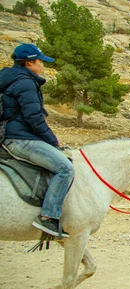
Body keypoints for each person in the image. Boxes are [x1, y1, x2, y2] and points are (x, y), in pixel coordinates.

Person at [0, 43, 74, 239]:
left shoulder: (9, 78)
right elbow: (33, 118)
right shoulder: (25, 82)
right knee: (65, 168)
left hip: (10, 135)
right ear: (29, 62)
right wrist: (52, 140)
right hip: (20, 139)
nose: (42, 65)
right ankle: (49, 217)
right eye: (40, 61)